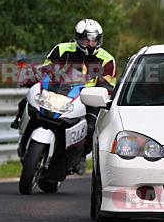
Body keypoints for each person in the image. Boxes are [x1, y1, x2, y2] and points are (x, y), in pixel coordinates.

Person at [11, 19, 116, 174]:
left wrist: (100, 93)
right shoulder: (61, 49)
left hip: (86, 98)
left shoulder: (107, 59)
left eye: (94, 40)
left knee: (91, 126)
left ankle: (80, 157)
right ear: (78, 37)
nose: (90, 43)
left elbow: (107, 85)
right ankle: (19, 123)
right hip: (59, 91)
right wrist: (34, 76)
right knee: (27, 100)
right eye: (87, 39)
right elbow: (47, 69)